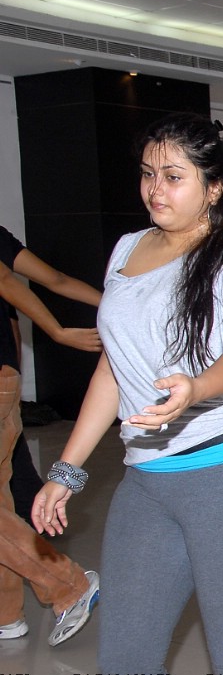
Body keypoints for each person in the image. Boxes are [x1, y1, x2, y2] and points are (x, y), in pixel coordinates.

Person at [33, 113, 223, 675]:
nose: (155, 188)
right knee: (125, 665)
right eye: (148, 174)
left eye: (173, 176)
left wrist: (194, 386)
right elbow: (113, 368)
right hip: (147, 478)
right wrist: (68, 467)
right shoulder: (126, 249)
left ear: (213, 187)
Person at [0, 225, 102, 645]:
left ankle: (69, 586)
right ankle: (6, 615)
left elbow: (4, 280)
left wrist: (58, 332)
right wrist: (115, 302)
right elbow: (56, 280)